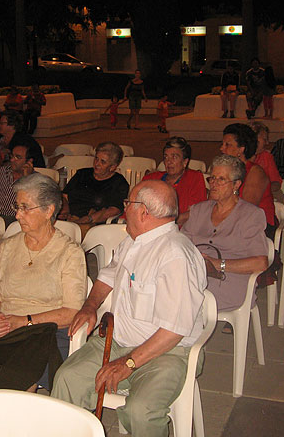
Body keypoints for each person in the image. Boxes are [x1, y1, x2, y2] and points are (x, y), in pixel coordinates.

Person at [51, 180, 207, 437]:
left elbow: (173, 331)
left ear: (144, 211)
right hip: (117, 341)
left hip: (166, 353)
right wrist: (90, 306)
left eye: (128, 204)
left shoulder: (176, 255)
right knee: (67, 378)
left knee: (141, 411)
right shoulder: (134, 241)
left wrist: (128, 362)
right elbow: (108, 277)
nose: (124, 210)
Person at [0, 172, 86, 391]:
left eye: (25, 208)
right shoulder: (7, 248)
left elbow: (71, 313)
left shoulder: (69, 252)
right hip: (7, 330)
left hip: (47, 333)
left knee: (18, 374)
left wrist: (23, 321)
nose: (18, 215)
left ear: (49, 211)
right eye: (17, 207)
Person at [182, 155, 268, 311]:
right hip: (193, 276)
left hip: (229, 282)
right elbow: (181, 245)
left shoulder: (250, 215)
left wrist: (217, 264)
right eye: (212, 178)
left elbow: (260, 263)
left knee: (173, 301)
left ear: (236, 185)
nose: (214, 184)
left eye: (221, 180)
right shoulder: (198, 210)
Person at [221, 123, 276, 238]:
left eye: (227, 145)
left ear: (241, 150)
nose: (222, 148)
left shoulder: (255, 172)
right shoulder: (225, 170)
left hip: (257, 226)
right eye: (222, 144)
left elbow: (246, 209)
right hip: (230, 222)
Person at [142, 136, 206, 226]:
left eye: (174, 157)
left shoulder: (194, 178)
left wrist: (165, 224)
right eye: (166, 157)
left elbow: (195, 212)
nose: (169, 161)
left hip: (180, 231)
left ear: (185, 162)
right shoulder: (151, 179)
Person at [60, 142, 129, 224]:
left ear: (112, 167)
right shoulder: (82, 174)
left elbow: (114, 210)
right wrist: (65, 210)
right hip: (69, 218)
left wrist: (89, 219)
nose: (97, 164)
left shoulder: (119, 183)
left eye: (102, 162)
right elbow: (64, 196)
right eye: (96, 158)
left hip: (93, 223)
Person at [250, 121, 283, 201]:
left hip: (265, 197)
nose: (267, 143)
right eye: (264, 139)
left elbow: (276, 183)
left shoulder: (267, 157)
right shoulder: (239, 156)